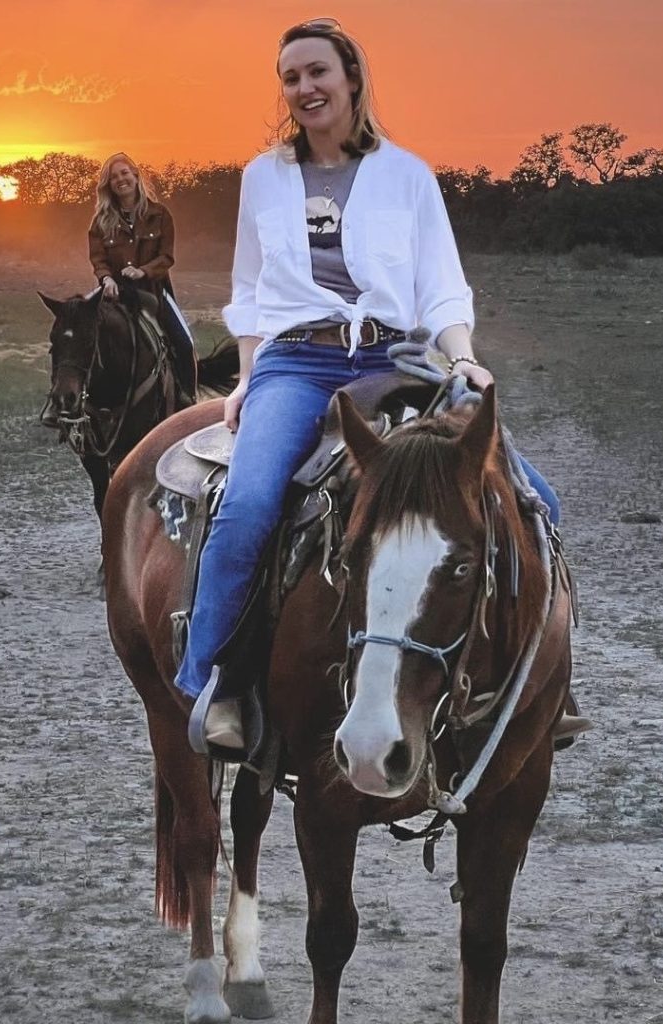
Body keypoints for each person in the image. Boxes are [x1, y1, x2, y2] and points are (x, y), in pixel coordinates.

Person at [177, 19, 584, 750]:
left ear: (352, 79)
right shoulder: (262, 178)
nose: (304, 89)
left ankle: (544, 682)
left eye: (317, 73)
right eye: (291, 77)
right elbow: (249, 288)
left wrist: (462, 360)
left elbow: (442, 288)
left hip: (398, 359)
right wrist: (244, 378)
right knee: (247, 506)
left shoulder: (408, 175)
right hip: (299, 361)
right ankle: (219, 683)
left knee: (533, 498)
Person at [87, 152, 197, 399]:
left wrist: (142, 271)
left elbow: (166, 257)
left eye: (124, 173)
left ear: (135, 176)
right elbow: (98, 258)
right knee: (75, 327)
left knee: (184, 341)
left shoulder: (159, 214)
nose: (120, 180)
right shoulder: (101, 221)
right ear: (108, 185)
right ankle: (74, 405)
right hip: (113, 291)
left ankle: (188, 399)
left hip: (154, 291)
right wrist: (106, 278)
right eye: (113, 177)